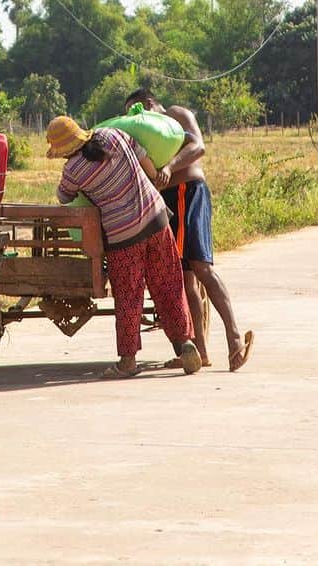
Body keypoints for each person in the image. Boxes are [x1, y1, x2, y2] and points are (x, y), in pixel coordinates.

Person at [47, 114, 202, 380]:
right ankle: (185, 344)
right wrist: (149, 180)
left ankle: (128, 361)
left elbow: (64, 196)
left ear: (62, 151)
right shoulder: (113, 136)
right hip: (156, 219)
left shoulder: (73, 169)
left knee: (129, 296)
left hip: (123, 236)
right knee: (168, 284)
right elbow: (148, 164)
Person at [125, 88, 254, 372]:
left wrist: (170, 167)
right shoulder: (143, 136)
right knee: (185, 278)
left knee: (201, 267)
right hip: (169, 199)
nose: (135, 119)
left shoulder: (175, 114)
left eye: (136, 111)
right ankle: (200, 349)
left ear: (149, 104)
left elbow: (198, 146)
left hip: (187, 192)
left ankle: (234, 337)